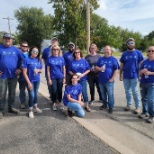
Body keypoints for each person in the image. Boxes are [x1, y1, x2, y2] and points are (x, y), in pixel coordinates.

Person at [0, 33, 24, 118]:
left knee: (12, 93)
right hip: (2, 76)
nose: (7, 40)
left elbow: (23, 60)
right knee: (1, 93)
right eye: (6, 38)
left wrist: (20, 69)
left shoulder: (16, 50)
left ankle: (11, 107)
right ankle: (1, 110)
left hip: (13, 76)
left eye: (9, 39)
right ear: (3, 39)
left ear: (12, 40)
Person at [119, 38, 144, 114]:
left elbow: (141, 64)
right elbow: (122, 65)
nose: (130, 44)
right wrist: (120, 74)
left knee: (135, 91)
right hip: (126, 76)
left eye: (132, 43)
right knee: (127, 91)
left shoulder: (138, 53)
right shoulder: (124, 54)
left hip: (135, 76)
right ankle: (129, 105)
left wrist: (141, 74)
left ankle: (137, 107)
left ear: (134, 43)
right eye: (129, 43)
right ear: (127, 44)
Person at [96, 46, 119, 114]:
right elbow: (96, 66)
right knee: (103, 94)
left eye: (108, 50)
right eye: (105, 50)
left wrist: (112, 79)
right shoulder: (101, 59)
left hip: (109, 81)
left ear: (111, 51)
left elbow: (116, 70)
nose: (106, 51)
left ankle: (111, 107)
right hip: (101, 80)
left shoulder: (113, 59)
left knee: (110, 94)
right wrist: (99, 69)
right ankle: (105, 104)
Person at [22, 46, 43, 118]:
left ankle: (35, 107)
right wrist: (28, 83)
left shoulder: (38, 60)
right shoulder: (26, 60)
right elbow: (24, 73)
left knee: (36, 94)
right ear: (30, 51)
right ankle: (30, 110)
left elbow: (41, 70)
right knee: (32, 95)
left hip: (37, 80)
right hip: (30, 81)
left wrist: (38, 70)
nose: (35, 53)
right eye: (34, 51)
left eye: (37, 52)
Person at [46, 44, 66, 111]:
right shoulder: (49, 58)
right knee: (54, 90)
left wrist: (64, 77)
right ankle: (54, 103)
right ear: (52, 50)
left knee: (60, 90)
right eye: (54, 49)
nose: (56, 51)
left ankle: (59, 103)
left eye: (57, 49)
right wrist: (49, 79)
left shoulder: (61, 58)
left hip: (60, 76)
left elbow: (64, 69)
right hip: (53, 77)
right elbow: (48, 70)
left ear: (59, 50)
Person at [139, 46, 154, 123]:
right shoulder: (144, 62)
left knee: (150, 100)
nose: (151, 52)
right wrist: (141, 72)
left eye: (152, 51)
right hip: (143, 83)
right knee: (143, 98)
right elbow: (140, 72)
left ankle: (151, 116)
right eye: (149, 51)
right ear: (147, 52)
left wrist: (150, 73)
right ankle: (145, 112)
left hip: (152, 84)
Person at [18, 41, 29, 109]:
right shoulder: (18, 54)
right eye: (23, 46)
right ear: (21, 46)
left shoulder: (30, 54)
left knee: (30, 90)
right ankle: (22, 102)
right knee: (22, 90)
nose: (24, 47)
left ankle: (31, 102)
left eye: (26, 46)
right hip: (21, 76)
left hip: (29, 76)